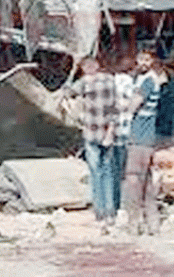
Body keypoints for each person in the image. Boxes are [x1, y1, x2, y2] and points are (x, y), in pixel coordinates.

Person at [68, 56, 117, 233]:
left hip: (90, 132)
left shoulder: (83, 83)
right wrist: (111, 130)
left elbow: (67, 93)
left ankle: (100, 212)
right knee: (108, 172)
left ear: (85, 68)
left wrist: (78, 115)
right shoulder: (110, 80)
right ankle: (111, 211)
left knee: (95, 173)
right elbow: (115, 107)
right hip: (108, 132)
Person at [124, 49, 161, 235]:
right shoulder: (150, 79)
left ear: (152, 60)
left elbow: (133, 105)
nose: (144, 63)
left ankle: (134, 223)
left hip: (139, 139)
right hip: (148, 140)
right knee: (146, 183)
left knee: (133, 180)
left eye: (147, 59)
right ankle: (153, 224)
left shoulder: (147, 82)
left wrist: (122, 105)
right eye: (141, 59)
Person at [113, 56, 136, 214]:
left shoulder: (111, 80)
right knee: (124, 170)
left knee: (113, 168)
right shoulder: (129, 82)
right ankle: (121, 203)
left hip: (112, 130)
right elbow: (131, 104)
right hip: (125, 130)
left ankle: (112, 203)